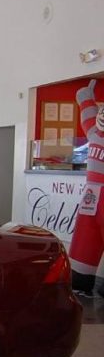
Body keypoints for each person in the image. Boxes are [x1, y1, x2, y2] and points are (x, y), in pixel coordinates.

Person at [70, 79, 104, 294]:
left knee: (88, 235)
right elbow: (88, 113)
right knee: (86, 238)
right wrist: (86, 93)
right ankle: (80, 280)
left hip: (95, 194)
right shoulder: (94, 133)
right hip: (91, 194)